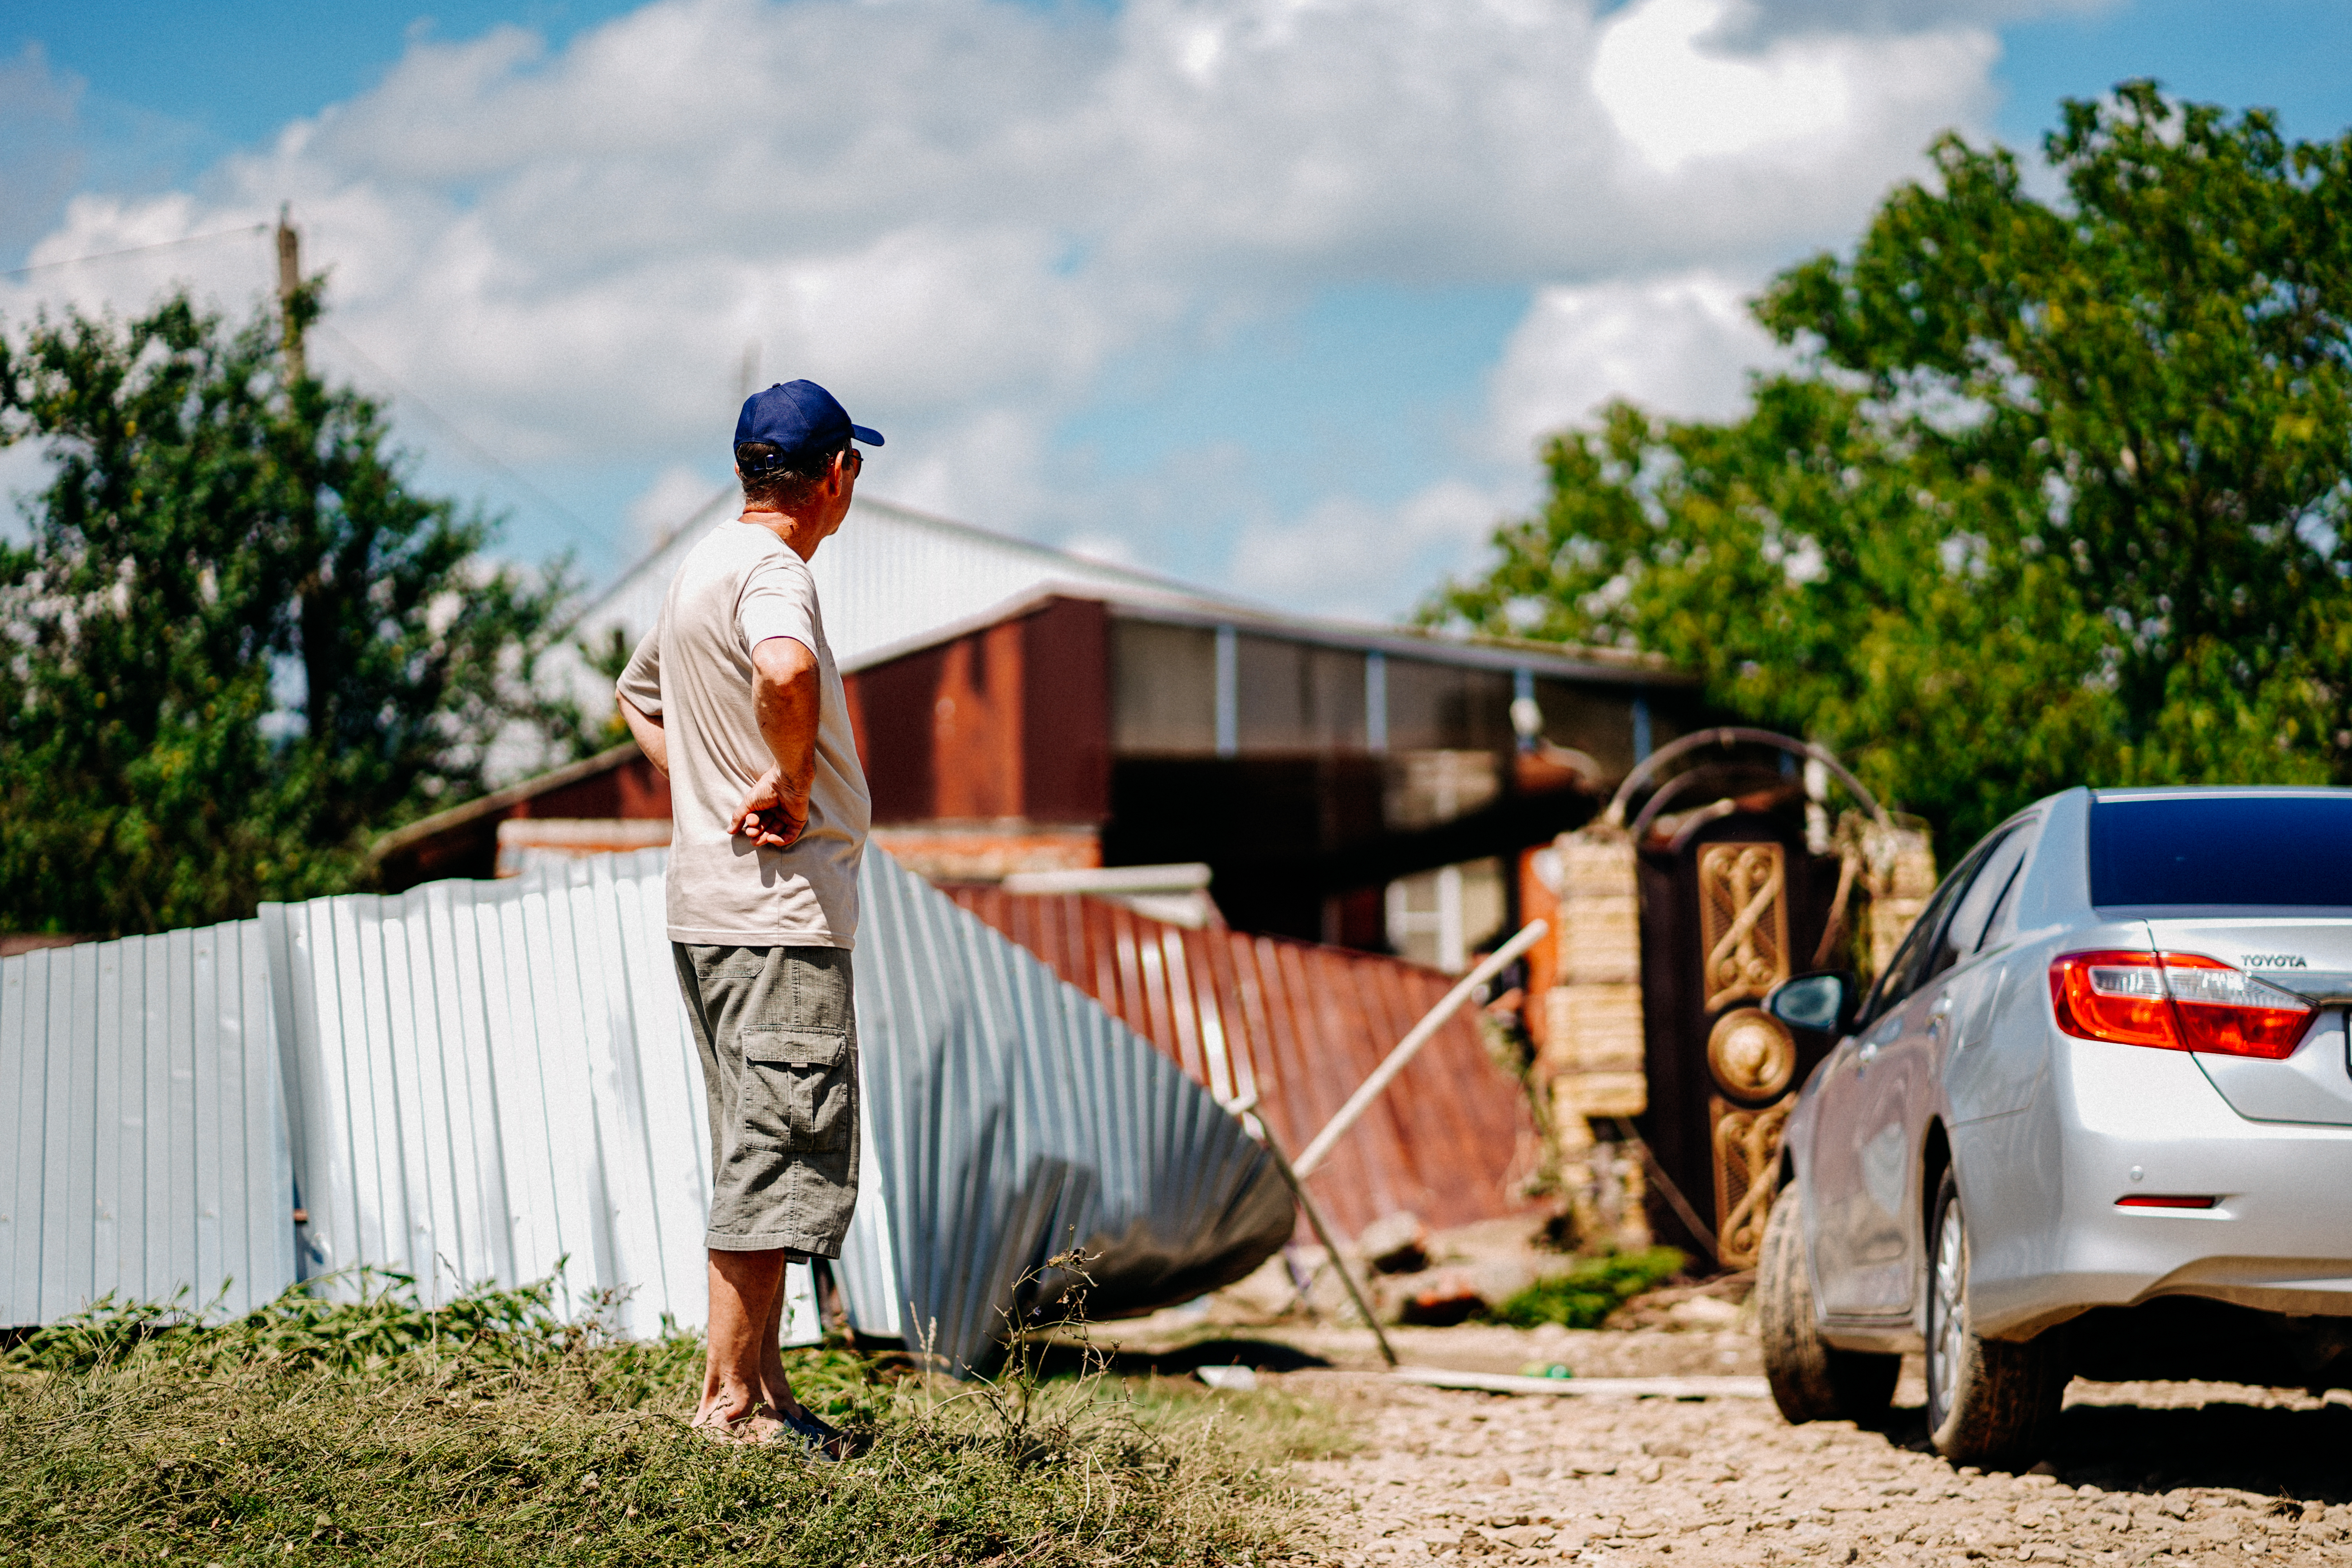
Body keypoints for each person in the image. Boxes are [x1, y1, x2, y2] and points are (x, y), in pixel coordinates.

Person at [615, 379, 880, 1456]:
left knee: (755, 1141)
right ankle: (731, 1406)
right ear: (834, 477)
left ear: (744, 470)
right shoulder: (773, 571)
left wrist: (708, 788)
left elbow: (637, 695)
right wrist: (783, 782)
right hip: (776, 916)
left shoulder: (701, 568)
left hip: (710, 909)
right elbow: (786, 667)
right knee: (776, 1156)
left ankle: (766, 1391)